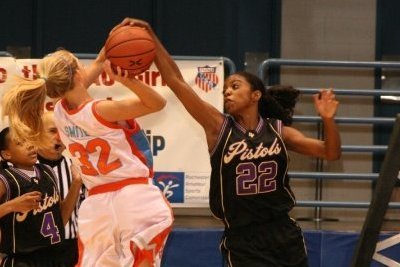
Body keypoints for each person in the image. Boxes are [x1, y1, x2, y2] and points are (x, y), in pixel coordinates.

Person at [115, 18, 342, 266]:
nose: (227, 92)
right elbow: (177, 82)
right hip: (242, 237)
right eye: (224, 90)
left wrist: (329, 120)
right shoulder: (218, 127)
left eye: (235, 86)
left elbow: (330, 153)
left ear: (256, 95)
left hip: (282, 232)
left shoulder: (280, 131)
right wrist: (151, 37)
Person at [1, 48, 173, 267]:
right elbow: (157, 103)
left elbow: (74, 84)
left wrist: (102, 57)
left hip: (96, 206)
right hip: (133, 196)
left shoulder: (60, 114)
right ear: (77, 74)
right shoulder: (102, 110)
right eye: (81, 66)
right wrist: (128, 80)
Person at [0, 126, 82, 267]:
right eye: (20, 143)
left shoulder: (48, 172)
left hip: (54, 256)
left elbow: (60, 220)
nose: (30, 145)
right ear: (7, 154)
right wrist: (11, 206)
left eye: (30, 139)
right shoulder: (5, 179)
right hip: (22, 259)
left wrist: (76, 183)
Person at [37, 111, 85, 267]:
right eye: (52, 131)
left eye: (63, 131)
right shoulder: (20, 169)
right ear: (36, 133)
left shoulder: (79, 168)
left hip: (69, 248)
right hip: (32, 249)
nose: (59, 137)